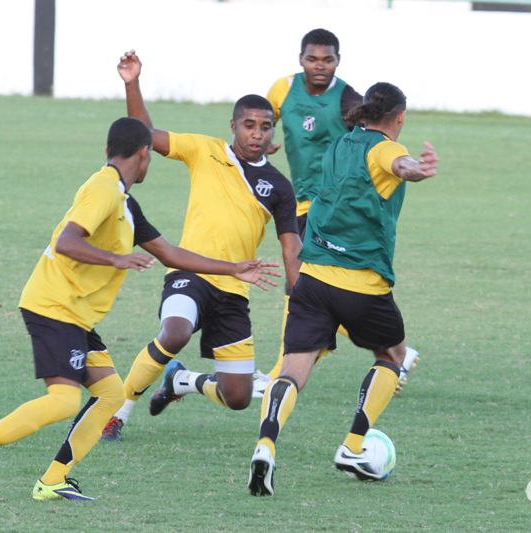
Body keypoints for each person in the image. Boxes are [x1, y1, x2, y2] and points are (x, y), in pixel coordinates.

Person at [0, 117, 280, 502]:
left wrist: (234, 268)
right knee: (64, 400)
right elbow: (68, 241)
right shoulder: (103, 190)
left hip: (75, 314)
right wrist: (114, 260)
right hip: (54, 307)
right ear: (144, 154)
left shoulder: (125, 202)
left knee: (110, 394)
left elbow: (170, 252)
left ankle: (52, 480)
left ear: (108, 151)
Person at [247, 82, 439, 496]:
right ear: (400, 118)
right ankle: (353, 447)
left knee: (293, 369)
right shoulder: (386, 148)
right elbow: (399, 163)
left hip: (313, 276)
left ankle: (265, 443)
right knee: (393, 355)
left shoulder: (340, 143)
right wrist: (416, 170)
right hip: (361, 283)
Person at [101, 50, 302, 443]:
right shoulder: (205, 150)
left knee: (238, 397)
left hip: (233, 292)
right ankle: (117, 412)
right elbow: (144, 135)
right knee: (174, 332)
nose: (257, 133)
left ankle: (183, 381)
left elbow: (290, 248)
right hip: (189, 273)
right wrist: (132, 83)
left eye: (265, 127)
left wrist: (301, 297)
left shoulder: (279, 187)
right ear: (233, 126)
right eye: (249, 125)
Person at [255, 28, 418, 398]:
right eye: (313, 58)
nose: (320, 66)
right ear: (300, 59)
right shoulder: (283, 89)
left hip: (325, 205)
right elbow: (263, 115)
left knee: (300, 284)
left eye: (327, 59)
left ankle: (284, 369)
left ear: (337, 61)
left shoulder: (347, 98)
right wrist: (265, 139)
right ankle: (396, 350)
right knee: (308, 286)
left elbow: (373, 142)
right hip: (294, 198)